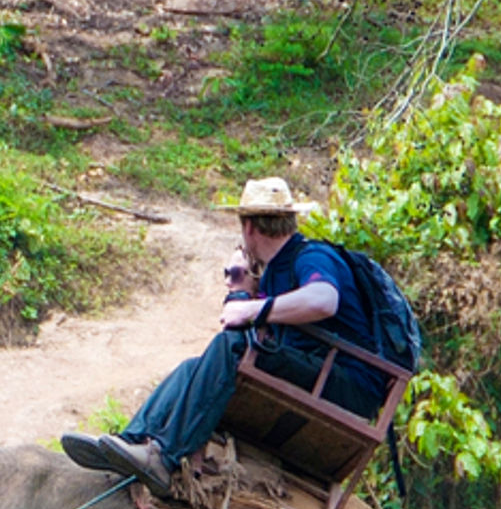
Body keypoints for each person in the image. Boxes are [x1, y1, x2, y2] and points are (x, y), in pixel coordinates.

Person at [60, 176, 415, 489]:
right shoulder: (276, 271)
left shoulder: (312, 256)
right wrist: (242, 289)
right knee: (193, 367)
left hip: (344, 384)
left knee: (229, 347)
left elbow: (324, 300)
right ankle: (132, 441)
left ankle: (164, 456)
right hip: (318, 370)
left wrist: (252, 307)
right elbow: (259, 338)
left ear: (248, 227)